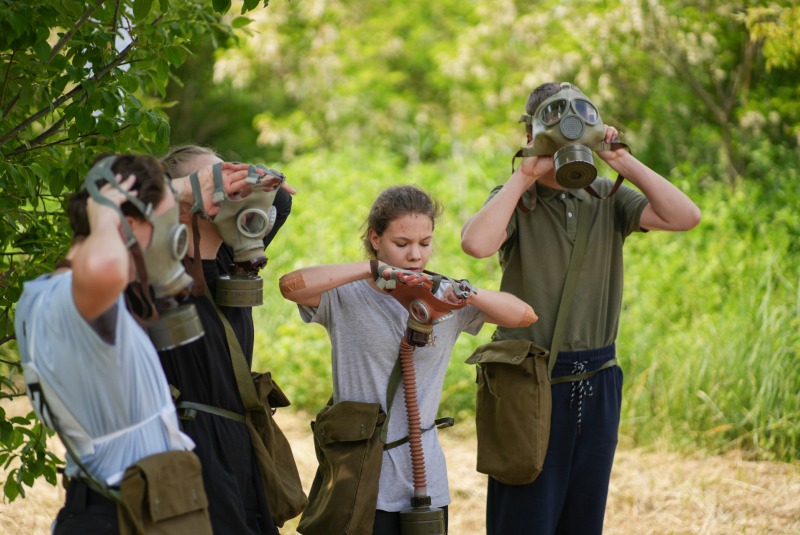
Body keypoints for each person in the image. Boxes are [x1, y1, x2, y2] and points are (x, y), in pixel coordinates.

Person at [460, 82, 702, 535]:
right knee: (524, 515)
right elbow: (475, 244)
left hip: (598, 375)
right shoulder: (519, 198)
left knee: (583, 516)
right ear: (533, 130)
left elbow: (685, 217)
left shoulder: (608, 195)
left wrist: (620, 159)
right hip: (530, 376)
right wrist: (525, 172)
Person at [14, 153, 255, 534]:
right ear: (124, 225)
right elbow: (106, 265)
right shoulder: (76, 299)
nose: (172, 240)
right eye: (163, 224)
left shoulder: (46, 296)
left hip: (138, 507)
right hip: (117, 514)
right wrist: (119, 210)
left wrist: (188, 190)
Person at [280, 185, 536, 535]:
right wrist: (370, 270)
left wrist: (462, 292)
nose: (415, 255)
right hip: (356, 474)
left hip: (424, 478)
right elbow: (290, 285)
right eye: (402, 244)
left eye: (425, 243)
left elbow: (524, 316)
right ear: (375, 238)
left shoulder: (444, 300)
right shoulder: (347, 296)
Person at [159, 145, 295, 535]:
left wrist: (253, 177)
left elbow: (281, 201)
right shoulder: (162, 270)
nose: (230, 193)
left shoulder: (232, 260)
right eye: (214, 184)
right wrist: (186, 191)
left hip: (241, 439)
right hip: (193, 437)